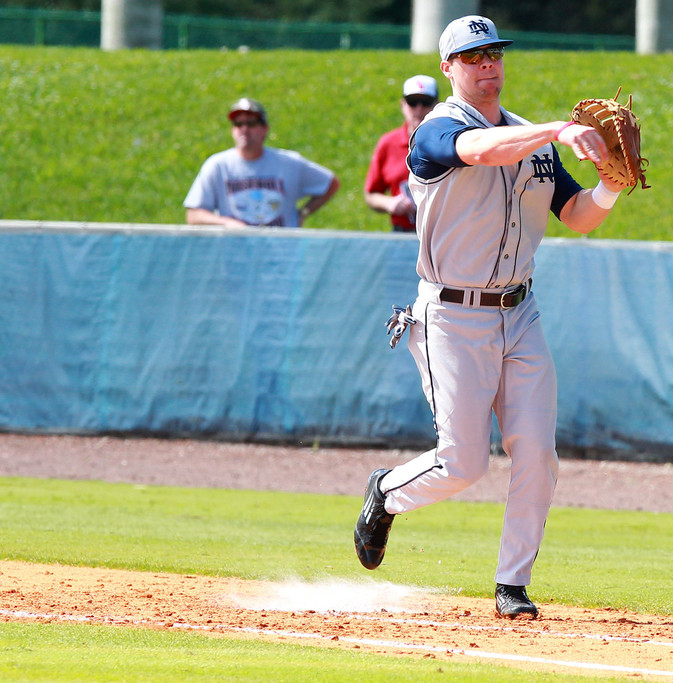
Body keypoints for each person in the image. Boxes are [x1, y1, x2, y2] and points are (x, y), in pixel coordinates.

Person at [354, 15, 630, 620]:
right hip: (452, 316)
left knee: (537, 454)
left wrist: (611, 185)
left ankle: (512, 584)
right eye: (472, 56)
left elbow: (576, 215)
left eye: (494, 53)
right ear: (449, 68)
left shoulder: (531, 138)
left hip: (520, 313)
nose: (487, 65)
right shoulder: (434, 130)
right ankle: (386, 492)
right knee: (463, 463)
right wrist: (557, 130)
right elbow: (477, 150)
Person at [184, 98, 339, 228]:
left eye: (251, 124)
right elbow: (194, 215)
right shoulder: (218, 165)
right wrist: (225, 223)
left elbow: (331, 183)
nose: (244, 129)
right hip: (236, 254)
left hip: (281, 252)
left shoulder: (289, 163)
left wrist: (303, 213)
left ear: (264, 129)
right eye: (238, 124)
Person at [363, 75, 439, 232]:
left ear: (437, 106)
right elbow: (371, 194)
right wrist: (390, 203)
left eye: (425, 103)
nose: (418, 109)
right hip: (403, 233)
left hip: (442, 233)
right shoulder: (388, 143)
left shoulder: (450, 142)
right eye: (412, 102)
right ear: (403, 105)